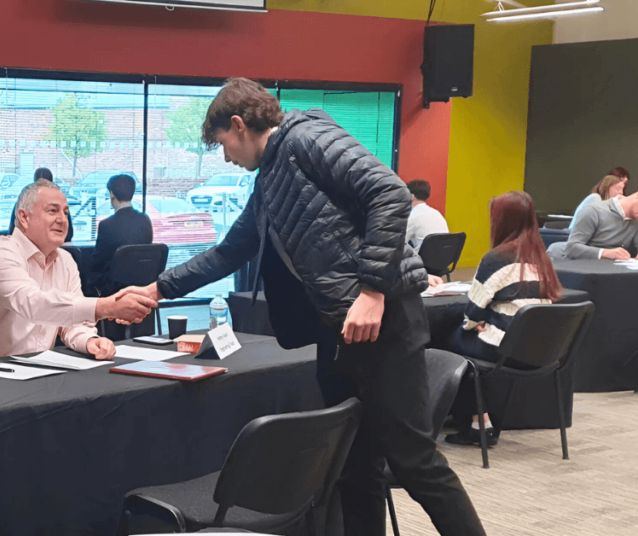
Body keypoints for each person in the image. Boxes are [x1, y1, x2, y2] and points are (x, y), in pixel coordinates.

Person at [117, 78, 485, 536]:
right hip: (339, 329)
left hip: (382, 316)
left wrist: (372, 291)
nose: (226, 157)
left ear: (239, 124)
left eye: (223, 145)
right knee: (355, 468)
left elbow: (389, 193)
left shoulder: (306, 137)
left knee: (414, 463)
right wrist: (157, 289)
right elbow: (231, 252)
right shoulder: (270, 178)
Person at [0, 180, 156, 364]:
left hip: (29, 374)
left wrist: (89, 341)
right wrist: (107, 306)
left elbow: (72, 322)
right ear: (24, 217)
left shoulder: (65, 260)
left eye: (65, 212)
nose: (63, 220)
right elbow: (34, 304)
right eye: (52, 211)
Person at [444, 191, 563, 447]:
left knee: (451, 341)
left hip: (506, 350)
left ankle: (477, 421)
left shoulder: (496, 259)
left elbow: (471, 313)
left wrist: (476, 325)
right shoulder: (543, 259)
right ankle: (480, 421)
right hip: (540, 351)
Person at [547, 185, 638, 261]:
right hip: (575, 267)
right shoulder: (593, 211)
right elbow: (572, 248)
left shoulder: (637, 220)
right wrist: (605, 253)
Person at [89, 174, 154, 296]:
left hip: (114, 288)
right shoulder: (145, 220)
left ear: (112, 194)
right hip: (142, 285)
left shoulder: (106, 225)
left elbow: (98, 262)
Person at [405, 179, 449, 252]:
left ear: (412, 196)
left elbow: (399, 242)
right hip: (443, 259)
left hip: (420, 260)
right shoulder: (437, 213)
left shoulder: (413, 216)